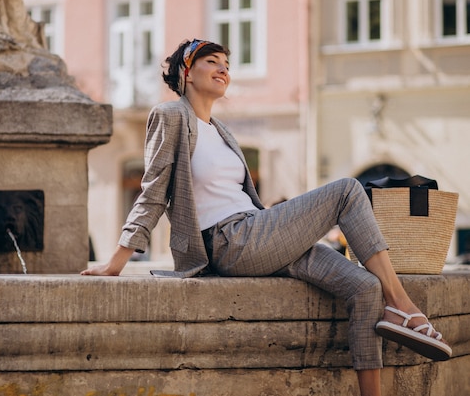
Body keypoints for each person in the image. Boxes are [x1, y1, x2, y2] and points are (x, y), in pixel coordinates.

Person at [81, 39, 451, 396]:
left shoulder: (222, 132)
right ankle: (403, 305)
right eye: (212, 61)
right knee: (347, 190)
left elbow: (243, 198)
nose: (222, 69)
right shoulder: (170, 115)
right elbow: (153, 190)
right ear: (186, 72)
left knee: (364, 287)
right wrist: (116, 261)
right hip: (230, 240)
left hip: (258, 234)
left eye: (226, 64)